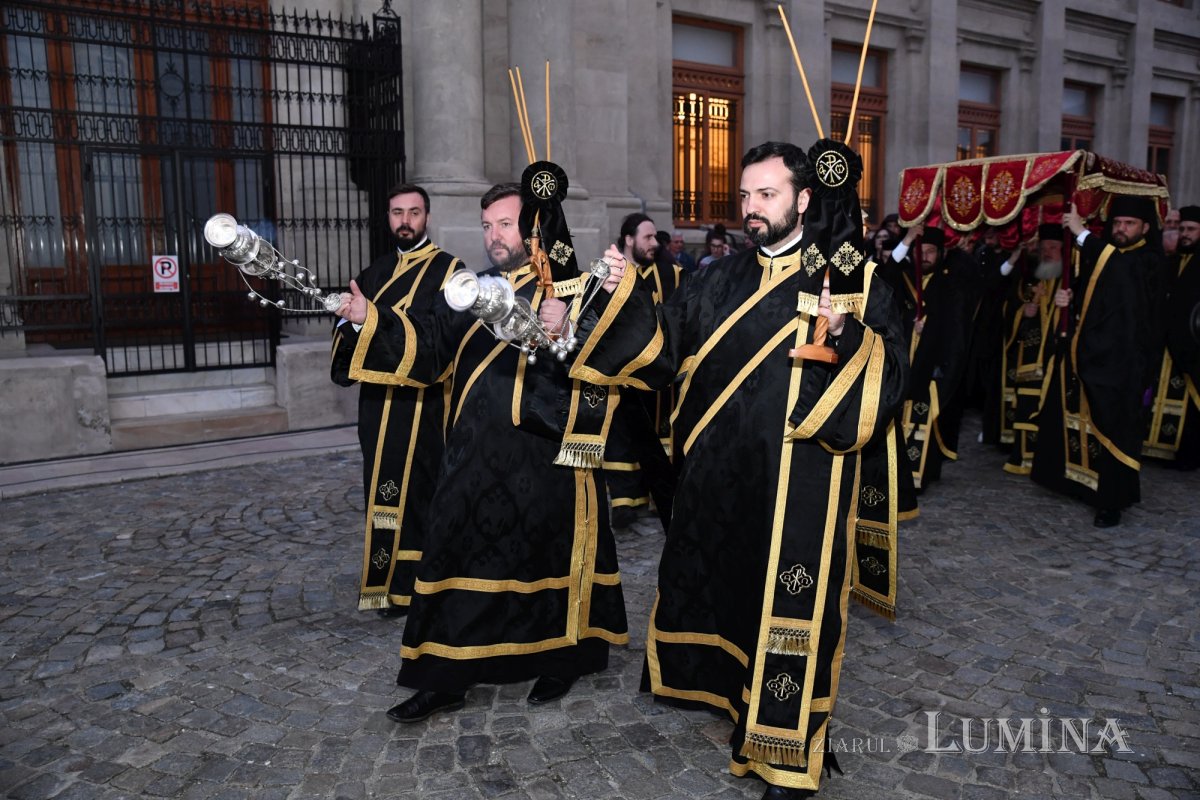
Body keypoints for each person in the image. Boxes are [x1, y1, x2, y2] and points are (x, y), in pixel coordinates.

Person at [571, 141, 908, 798]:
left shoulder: (853, 280)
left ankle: (787, 753)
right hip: (718, 475)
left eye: (767, 195)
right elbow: (661, 349)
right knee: (727, 587)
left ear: (804, 199)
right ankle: (723, 691)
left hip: (800, 480)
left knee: (790, 606)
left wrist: (847, 337)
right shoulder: (714, 277)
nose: (752, 208)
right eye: (746, 195)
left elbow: (893, 376)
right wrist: (622, 293)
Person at [336, 178, 629, 721]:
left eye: (506, 224)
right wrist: (369, 319)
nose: (494, 236)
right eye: (487, 225)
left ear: (532, 229)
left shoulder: (569, 288)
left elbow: (608, 357)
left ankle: (565, 658)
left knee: (548, 559)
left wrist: (570, 326)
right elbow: (428, 348)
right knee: (453, 557)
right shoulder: (470, 290)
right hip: (471, 456)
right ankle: (444, 676)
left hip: (545, 458)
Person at [330, 183, 460, 618]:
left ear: (427, 216)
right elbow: (348, 337)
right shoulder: (374, 272)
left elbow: (438, 341)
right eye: (397, 212)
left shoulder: (450, 271)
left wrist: (374, 318)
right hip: (377, 408)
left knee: (421, 493)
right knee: (380, 492)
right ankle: (386, 584)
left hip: (423, 408)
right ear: (388, 217)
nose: (405, 221)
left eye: (414, 212)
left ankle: (420, 584)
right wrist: (352, 323)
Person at [1031, 198, 1154, 528]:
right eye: (1118, 223)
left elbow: (1121, 274)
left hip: (1125, 361)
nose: (1121, 229)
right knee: (1081, 419)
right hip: (1092, 353)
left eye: (1129, 224)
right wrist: (1069, 300)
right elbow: (1095, 298)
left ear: (1145, 227)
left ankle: (1111, 502)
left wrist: (1081, 232)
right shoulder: (1108, 256)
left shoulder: (1147, 259)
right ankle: (1082, 485)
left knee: (1114, 427)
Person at [605, 215, 682, 529]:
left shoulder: (672, 275)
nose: (655, 243)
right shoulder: (608, 273)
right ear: (628, 239)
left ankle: (655, 494)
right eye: (647, 237)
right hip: (621, 371)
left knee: (658, 431)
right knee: (622, 432)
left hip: (660, 374)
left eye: (655, 238)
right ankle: (624, 500)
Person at [893, 225, 977, 491]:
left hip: (931, 366)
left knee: (922, 423)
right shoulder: (904, 279)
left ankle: (917, 477)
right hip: (903, 364)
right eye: (921, 251)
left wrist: (929, 328)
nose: (925, 257)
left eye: (931, 252)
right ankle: (897, 475)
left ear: (941, 254)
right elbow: (885, 278)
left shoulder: (951, 285)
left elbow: (956, 330)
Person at [1000, 224, 1063, 474]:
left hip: (1056, 358)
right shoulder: (1029, 279)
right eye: (1043, 247)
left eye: (1053, 247)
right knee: (1026, 407)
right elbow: (1008, 307)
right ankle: (1023, 458)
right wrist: (1021, 312)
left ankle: (1047, 463)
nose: (1047, 252)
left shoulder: (1071, 282)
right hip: (1029, 357)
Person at [1144, 204, 1200, 469]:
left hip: (1191, 348)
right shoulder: (1170, 262)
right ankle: (1152, 446)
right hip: (1163, 345)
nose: (1185, 234)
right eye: (1182, 229)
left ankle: (1185, 454)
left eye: (1191, 229)